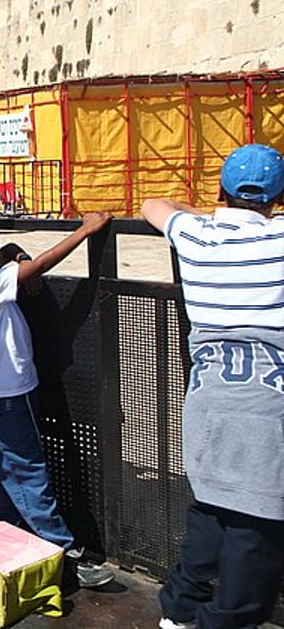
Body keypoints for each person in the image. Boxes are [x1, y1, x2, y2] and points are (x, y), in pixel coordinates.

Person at [142, 143, 284, 629]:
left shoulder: (198, 238)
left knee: (212, 509)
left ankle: (179, 610)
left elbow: (153, 206)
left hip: (208, 402)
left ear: (222, 192)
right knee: (256, 531)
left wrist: (209, 215)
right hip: (268, 411)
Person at [0, 213, 116, 590]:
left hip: (5, 391)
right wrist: (84, 231)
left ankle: (13, 537)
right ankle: (64, 552)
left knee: (8, 474)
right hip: (5, 392)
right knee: (27, 472)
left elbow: (13, 255)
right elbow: (41, 264)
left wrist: (16, 255)